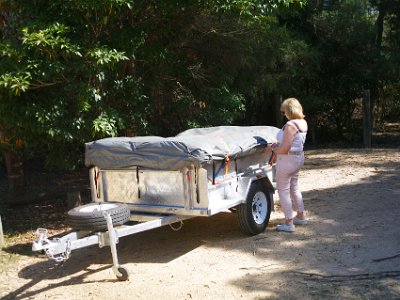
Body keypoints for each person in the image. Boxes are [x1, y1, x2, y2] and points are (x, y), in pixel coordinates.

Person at [267, 97, 308, 233]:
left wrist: (272, 148)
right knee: (294, 188)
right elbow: (292, 144)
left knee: (283, 191)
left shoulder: (291, 125)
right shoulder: (302, 122)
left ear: (290, 111)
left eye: (285, 111)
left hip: (287, 159)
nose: (284, 114)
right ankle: (301, 216)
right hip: (298, 157)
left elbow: (285, 149)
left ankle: (289, 223)